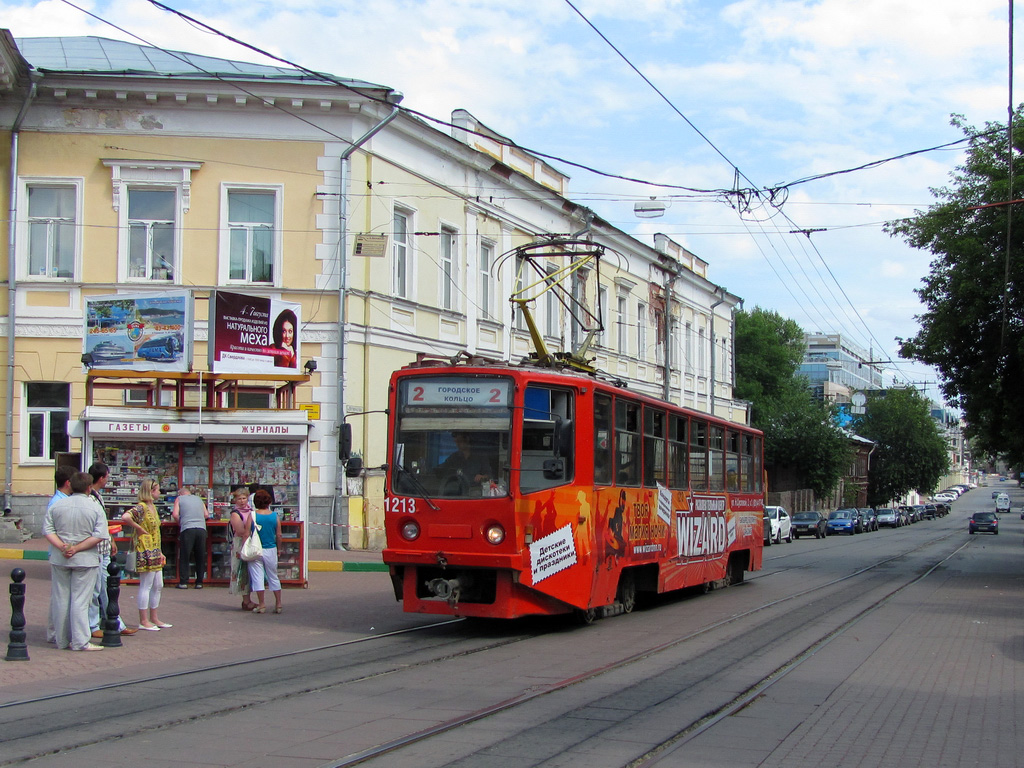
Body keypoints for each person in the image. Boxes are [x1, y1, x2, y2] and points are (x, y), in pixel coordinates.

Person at [43, 471, 107, 651]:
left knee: (60, 598)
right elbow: (100, 535)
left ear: (71, 485)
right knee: (81, 600)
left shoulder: (58, 505)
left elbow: (48, 530)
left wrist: (63, 546)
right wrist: (77, 548)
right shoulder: (94, 507)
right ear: (88, 487)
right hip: (85, 559)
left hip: (60, 557)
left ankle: (61, 640)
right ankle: (80, 640)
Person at [87, 461, 136, 638]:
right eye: (107, 477)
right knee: (98, 589)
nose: (108, 480)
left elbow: (102, 524)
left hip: (104, 548)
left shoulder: (98, 496)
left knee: (108, 587)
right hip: (96, 550)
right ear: (101, 478)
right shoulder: (90, 497)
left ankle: (114, 621)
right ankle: (96, 625)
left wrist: (111, 540)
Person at [120, 478, 171, 631]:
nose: (160, 492)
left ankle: (154, 617)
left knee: (158, 584)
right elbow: (126, 516)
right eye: (157, 490)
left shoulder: (152, 507)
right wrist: (138, 528)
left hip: (155, 548)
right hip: (145, 548)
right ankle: (144, 620)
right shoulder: (141, 507)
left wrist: (160, 551)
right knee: (147, 584)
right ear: (150, 491)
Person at [246, 489, 283, 614]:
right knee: (273, 576)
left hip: (255, 550)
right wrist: (279, 549)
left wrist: (243, 549)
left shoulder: (252, 516)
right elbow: (279, 535)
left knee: (257, 577)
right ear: (269, 502)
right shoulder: (274, 516)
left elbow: (246, 534)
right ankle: (278, 604)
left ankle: (261, 604)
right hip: (271, 549)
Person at [172, 486, 211, 589]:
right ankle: (199, 582)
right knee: (200, 556)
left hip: (187, 529)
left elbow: (175, 514)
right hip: (201, 529)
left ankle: (184, 582)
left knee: (185, 555)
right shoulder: (198, 499)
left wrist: (181, 522)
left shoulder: (179, 499)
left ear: (180, 494)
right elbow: (206, 515)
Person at [228, 486, 255, 611]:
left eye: (244, 498)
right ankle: (246, 600)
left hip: (251, 541)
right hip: (241, 543)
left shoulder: (251, 511)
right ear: (235, 500)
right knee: (242, 570)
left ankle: (249, 599)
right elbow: (240, 531)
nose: (242, 501)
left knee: (251, 571)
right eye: (239, 499)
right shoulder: (235, 514)